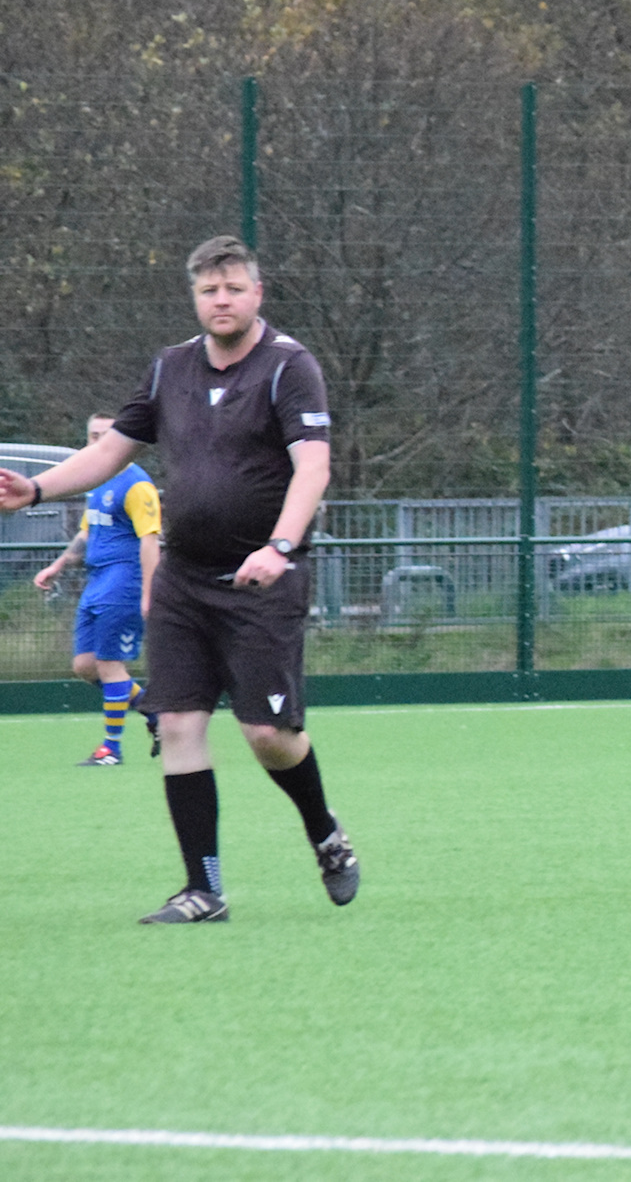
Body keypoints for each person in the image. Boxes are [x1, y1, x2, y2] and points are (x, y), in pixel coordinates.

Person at [0, 235, 359, 924]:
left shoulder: (290, 367)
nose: (220, 300)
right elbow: (111, 448)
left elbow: (313, 466)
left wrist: (280, 545)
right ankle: (204, 888)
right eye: (207, 290)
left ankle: (325, 832)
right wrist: (37, 490)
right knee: (179, 721)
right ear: (195, 297)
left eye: (232, 287)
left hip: (261, 582)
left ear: (257, 293)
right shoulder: (171, 368)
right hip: (184, 583)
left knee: (268, 735)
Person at [33, 414, 163, 765]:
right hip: (97, 580)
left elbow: (150, 541)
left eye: (107, 436)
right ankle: (155, 712)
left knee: (109, 665)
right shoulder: (97, 483)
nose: (99, 442)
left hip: (124, 581)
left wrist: (150, 593)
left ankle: (111, 749)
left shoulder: (137, 485)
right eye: (93, 435)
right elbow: (87, 532)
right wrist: (57, 566)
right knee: (85, 666)